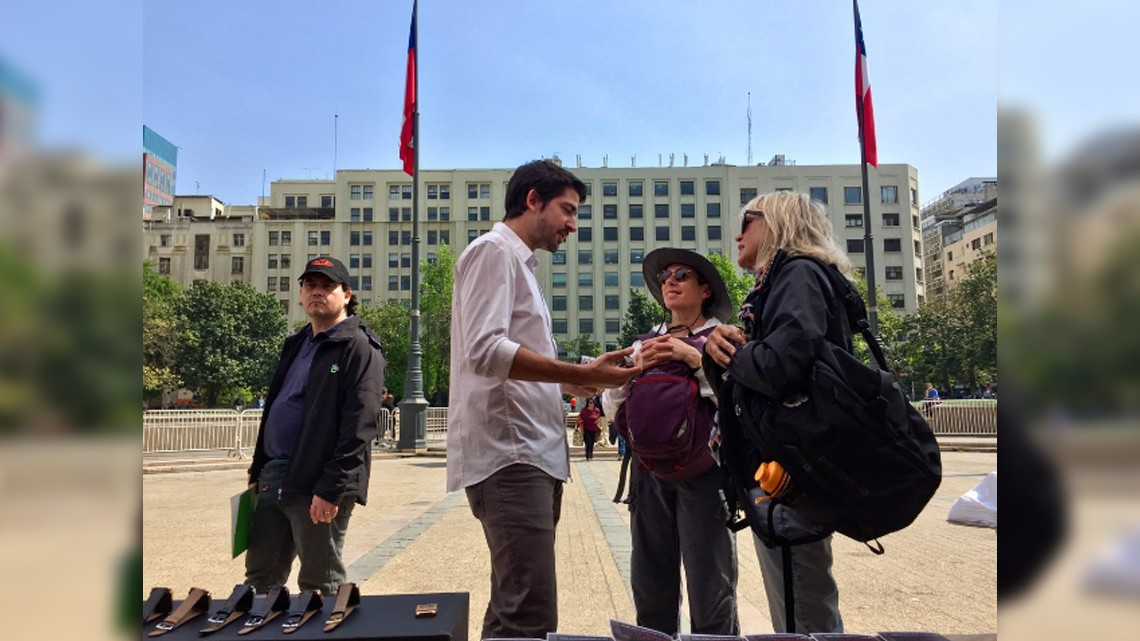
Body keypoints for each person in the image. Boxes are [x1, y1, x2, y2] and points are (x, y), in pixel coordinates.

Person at [446, 159, 639, 638]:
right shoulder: (493, 252)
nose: (573, 225)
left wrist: (580, 382)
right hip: (511, 456)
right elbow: (485, 352)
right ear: (533, 200)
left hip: (530, 455)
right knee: (529, 613)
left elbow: (510, 366)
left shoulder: (518, 265)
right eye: (567, 210)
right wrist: (578, 372)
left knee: (514, 606)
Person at [704, 191, 849, 634]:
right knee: (799, 602)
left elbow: (779, 367)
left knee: (801, 613)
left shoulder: (798, 273)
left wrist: (724, 351)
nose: (737, 235)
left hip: (789, 472)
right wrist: (720, 350)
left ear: (777, 222)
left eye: (746, 222)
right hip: (786, 465)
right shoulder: (787, 280)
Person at [602, 247, 739, 637]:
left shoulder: (722, 338)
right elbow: (612, 406)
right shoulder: (645, 343)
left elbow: (739, 401)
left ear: (706, 290)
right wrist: (631, 371)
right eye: (665, 277)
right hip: (648, 475)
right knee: (651, 590)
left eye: (682, 276)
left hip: (707, 475)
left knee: (711, 591)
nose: (670, 282)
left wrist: (694, 359)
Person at [245, 256, 385, 595]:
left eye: (327, 286)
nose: (317, 292)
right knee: (259, 579)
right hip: (274, 475)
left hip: (318, 480)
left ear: (347, 295)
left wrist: (331, 488)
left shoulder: (358, 346)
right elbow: (276, 407)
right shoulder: (296, 343)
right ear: (301, 294)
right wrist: (257, 469)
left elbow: (360, 424)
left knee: (320, 584)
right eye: (310, 285)